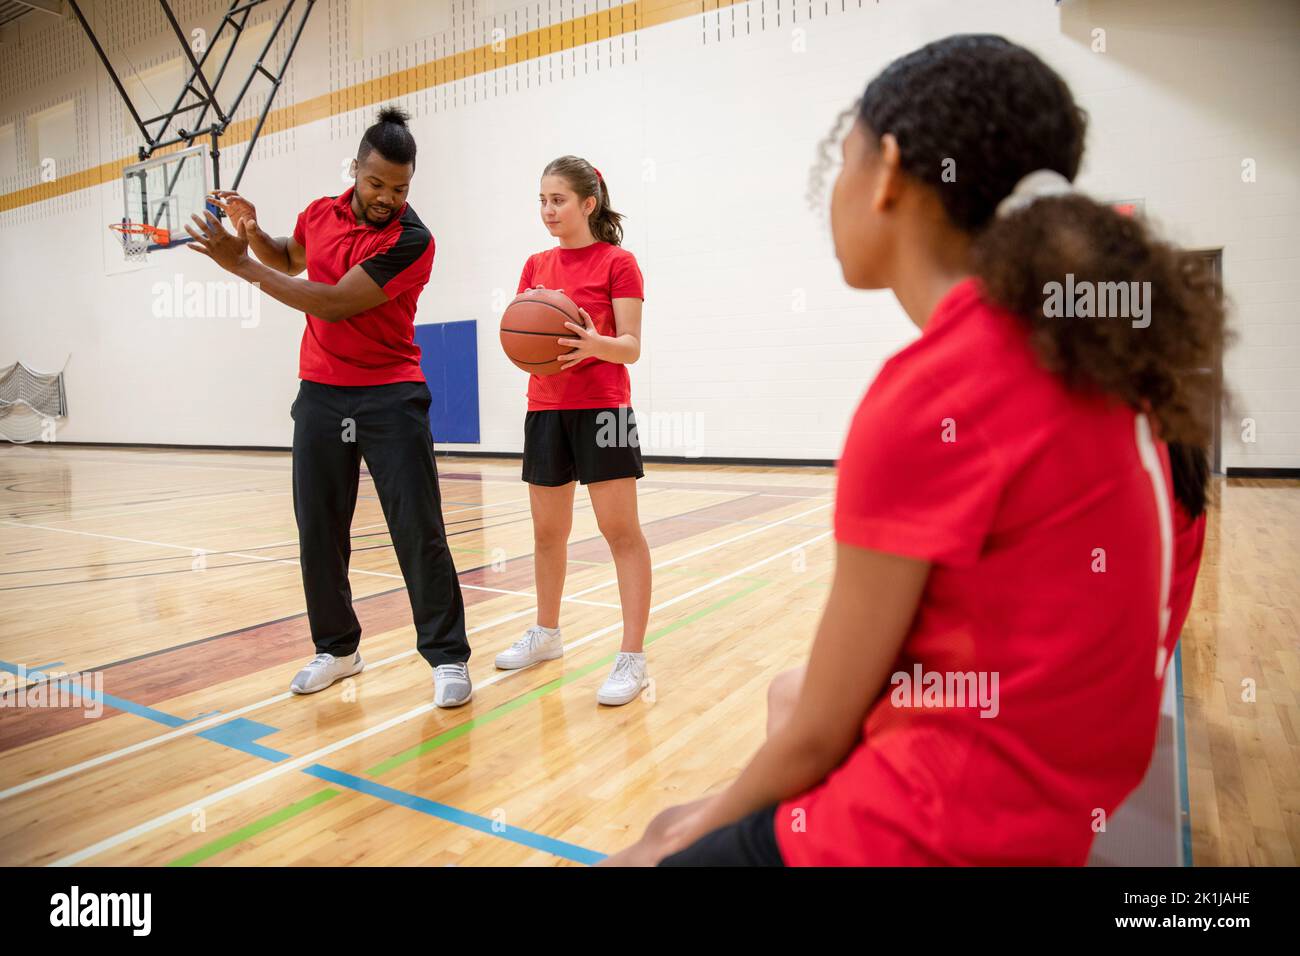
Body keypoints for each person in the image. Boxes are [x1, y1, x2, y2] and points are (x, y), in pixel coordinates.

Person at [603, 34, 1224, 865]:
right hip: (1065, 793)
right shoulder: (1093, 354)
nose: (833, 191)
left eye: (842, 159)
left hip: (933, 833)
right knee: (780, 704)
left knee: (657, 841)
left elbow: (819, 738)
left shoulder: (937, 391)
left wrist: (695, 828)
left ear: (888, 170)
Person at [190, 105, 473, 709]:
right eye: (376, 184)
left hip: (391, 394)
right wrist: (255, 235)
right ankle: (338, 649)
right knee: (319, 528)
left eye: (400, 188)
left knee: (416, 529)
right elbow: (292, 259)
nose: (386, 198)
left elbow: (335, 303)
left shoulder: (412, 239)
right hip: (320, 392)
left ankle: (447, 657)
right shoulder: (320, 212)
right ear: (356, 171)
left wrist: (239, 266)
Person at [493, 156, 653, 707]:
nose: (547, 210)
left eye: (557, 200)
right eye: (541, 200)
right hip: (546, 410)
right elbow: (525, 339)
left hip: (603, 409)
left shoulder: (619, 262)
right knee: (546, 534)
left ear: (589, 204)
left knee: (620, 532)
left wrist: (593, 345)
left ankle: (632, 656)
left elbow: (631, 346)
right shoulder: (534, 265)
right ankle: (547, 634)